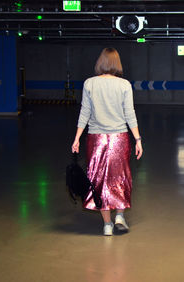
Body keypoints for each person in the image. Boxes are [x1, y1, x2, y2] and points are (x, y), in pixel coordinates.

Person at [71, 48, 143, 236]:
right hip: (120, 138)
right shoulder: (124, 85)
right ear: (117, 63)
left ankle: (107, 225)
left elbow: (84, 112)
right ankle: (120, 215)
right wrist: (138, 139)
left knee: (98, 180)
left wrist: (77, 137)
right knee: (121, 177)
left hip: (96, 139)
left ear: (100, 62)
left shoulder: (89, 84)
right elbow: (130, 114)